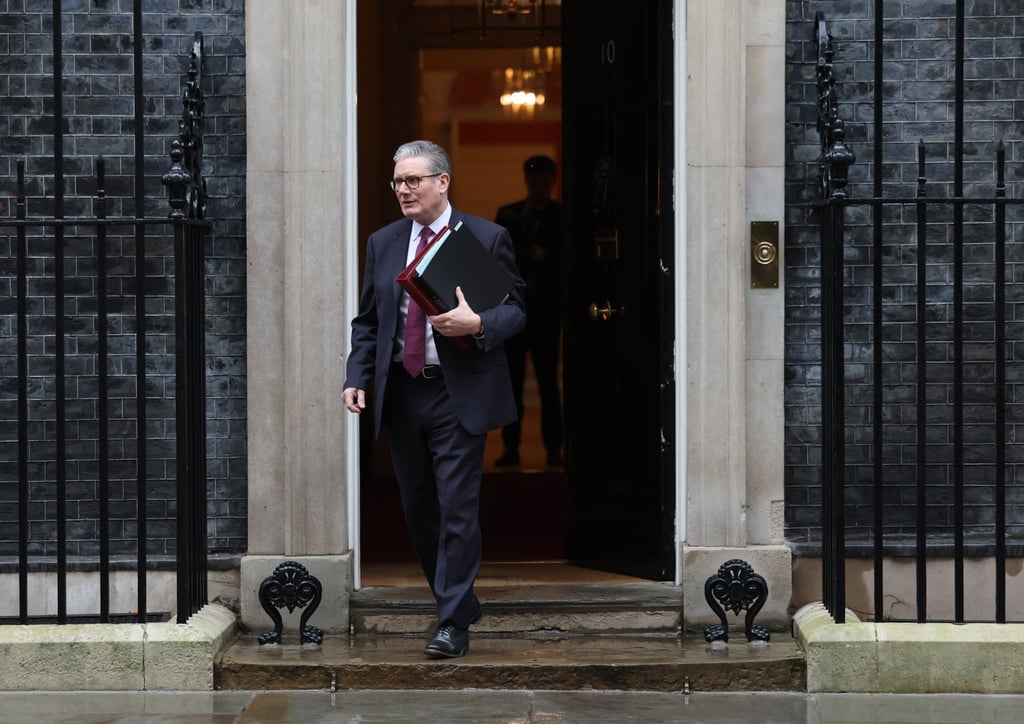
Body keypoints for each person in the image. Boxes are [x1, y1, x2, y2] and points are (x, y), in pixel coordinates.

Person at [342, 140, 526, 659]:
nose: (403, 190)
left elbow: (517, 311)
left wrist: (480, 323)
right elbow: (369, 322)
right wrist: (357, 375)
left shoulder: (487, 238)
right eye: (397, 181)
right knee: (418, 506)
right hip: (402, 393)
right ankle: (459, 602)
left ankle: (451, 623)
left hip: (457, 392)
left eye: (413, 181)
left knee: (457, 508)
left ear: (442, 182)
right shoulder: (384, 242)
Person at [493, 154, 564, 467]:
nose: (538, 187)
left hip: (547, 311)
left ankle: (554, 447)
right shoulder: (509, 214)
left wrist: (545, 256)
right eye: (534, 181)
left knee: (549, 382)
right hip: (513, 310)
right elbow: (493, 259)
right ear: (527, 181)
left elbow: (570, 260)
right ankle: (510, 446)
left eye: (543, 182)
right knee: (511, 379)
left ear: (552, 182)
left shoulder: (562, 215)